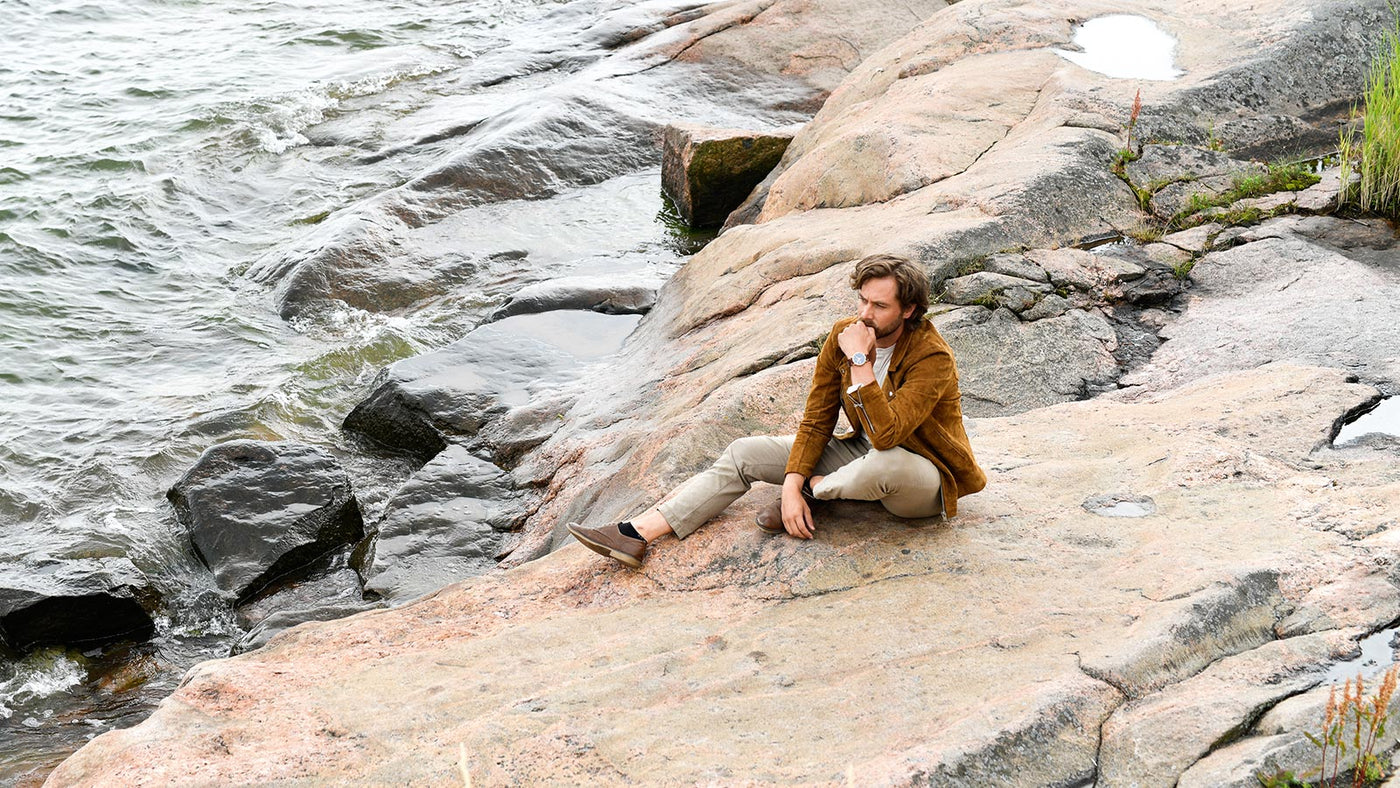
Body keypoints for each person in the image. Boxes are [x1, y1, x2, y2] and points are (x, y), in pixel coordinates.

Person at [568, 253, 986, 568]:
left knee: (883, 465)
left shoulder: (933, 357)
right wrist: (789, 484)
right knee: (744, 452)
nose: (864, 315)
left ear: (908, 310)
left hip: (921, 474)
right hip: (859, 452)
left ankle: (818, 492)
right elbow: (818, 417)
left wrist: (861, 363)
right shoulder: (844, 334)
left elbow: (887, 437)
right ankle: (637, 534)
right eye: (862, 301)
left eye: (879, 306)